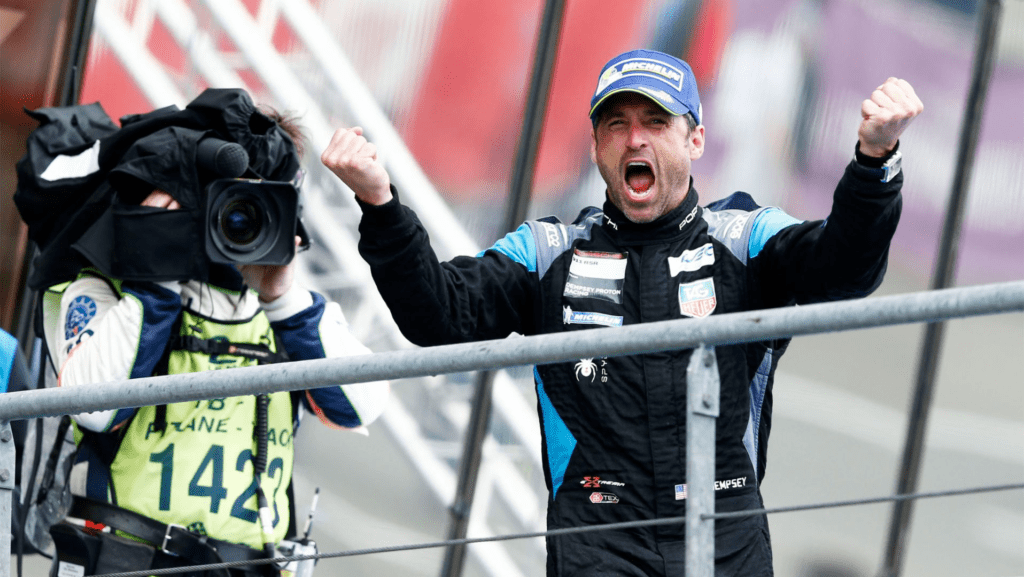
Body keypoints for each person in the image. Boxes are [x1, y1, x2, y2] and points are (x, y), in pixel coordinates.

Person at [322, 49, 922, 576]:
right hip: (598, 547)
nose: (635, 138)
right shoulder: (547, 251)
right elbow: (439, 315)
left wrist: (873, 161)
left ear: (694, 141)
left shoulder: (746, 239)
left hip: (726, 545)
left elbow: (845, 271)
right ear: (596, 147)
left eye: (655, 122)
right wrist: (379, 203)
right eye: (617, 123)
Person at [41, 91, 389, 576]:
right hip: (125, 560)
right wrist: (155, 265)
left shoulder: (288, 312)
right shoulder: (100, 290)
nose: (234, 217)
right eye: (220, 199)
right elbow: (96, 409)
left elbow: (362, 406)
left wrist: (282, 300)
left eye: (255, 202)